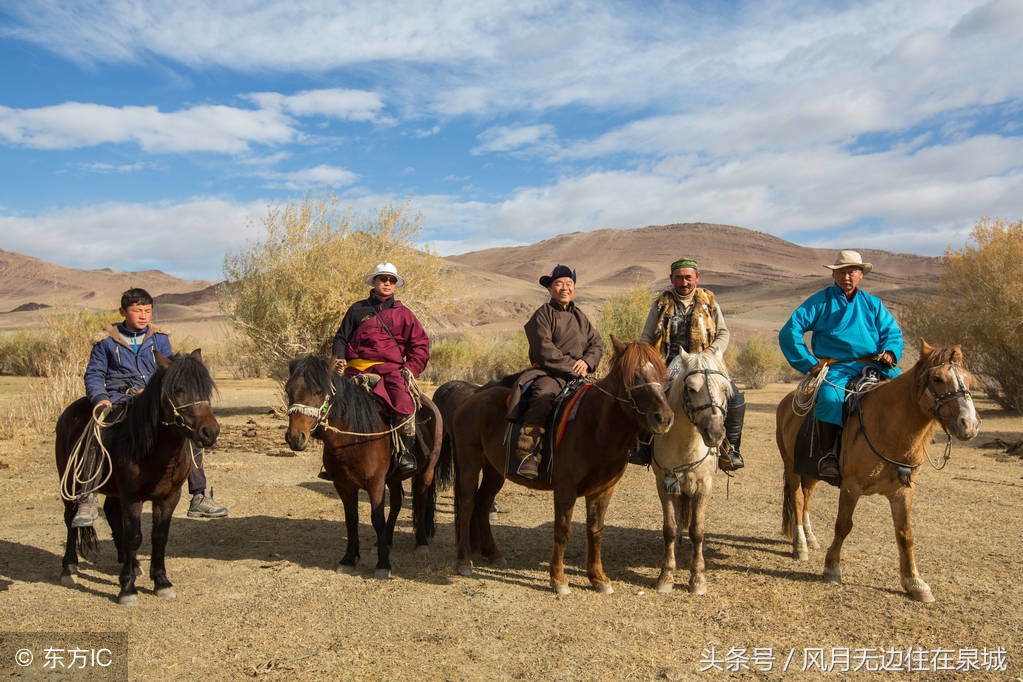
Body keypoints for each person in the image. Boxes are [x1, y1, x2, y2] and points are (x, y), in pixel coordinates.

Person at [74, 287, 228, 527]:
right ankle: (87, 494)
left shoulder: (159, 338)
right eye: (137, 311)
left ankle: (200, 495)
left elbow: (168, 370)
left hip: (152, 401)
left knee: (189, 434)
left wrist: (156, 392)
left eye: (147, 311)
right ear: (123, 312)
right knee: (97, 431)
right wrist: (100, 397)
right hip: (118, 399)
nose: (143, 315)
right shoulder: (105, 342)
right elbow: (94, 374)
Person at [778, 250, 903, 481]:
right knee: (830, 399)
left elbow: (892, 332)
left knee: (906, 392)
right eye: (842, 272)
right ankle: (829, 456)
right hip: (838, 367)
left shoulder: (873, 304)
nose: (847, 276)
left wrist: (890, 353)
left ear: (861, 275)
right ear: (834, 275)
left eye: (852, 271)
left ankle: (903, 456)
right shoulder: (820, 302)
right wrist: (809, 363)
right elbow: (790, 331)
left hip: (875, 364)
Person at [637, 257, 746, 472]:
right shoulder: (660, 303)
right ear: (671, 279)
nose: (684, 282)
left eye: (688, 277)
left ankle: (730, 449)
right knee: (649, 398)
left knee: (736, 399)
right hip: (670, 363)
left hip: (706, 362)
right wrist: (650, 363)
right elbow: (646, 337)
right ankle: (644, 447)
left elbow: (723, 332)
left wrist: (711, 352)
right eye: (678, 278)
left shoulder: (710, 301)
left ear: (697, 277)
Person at [331, 262, 430, 476]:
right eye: (383, 279)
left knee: (405, 404)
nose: (387, 283)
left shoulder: (404, 314)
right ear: (374, 282)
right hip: (357, 370)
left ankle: (404, 452)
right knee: (331, 404)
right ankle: (332, 460)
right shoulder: (357, 310)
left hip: (391, 372)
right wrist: (339, 359)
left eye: (391, 280)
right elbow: (341, 338)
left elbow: (420, 345)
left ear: (395, 285)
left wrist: (410, 369)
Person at [513, 264, 604, 479]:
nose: (565, 288)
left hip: (580, 376)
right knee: (541, 397)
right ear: (550, 289)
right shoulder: (542, 315)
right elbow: (544, 350)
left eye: (569, 283)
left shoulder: (581, 317)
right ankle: (529, 454)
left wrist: (587, 362)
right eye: (559, 283)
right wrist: (573, 367)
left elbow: (597, 344)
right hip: (549, 374)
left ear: (574, 287)